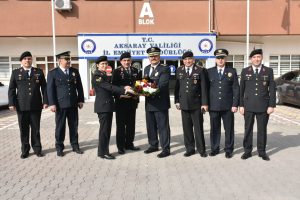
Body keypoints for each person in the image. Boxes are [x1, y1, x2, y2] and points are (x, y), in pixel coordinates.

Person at [92, 56, 135, 159]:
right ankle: (103, 152)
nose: (104, 65)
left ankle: (103, 151)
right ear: (97, 65)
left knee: (106, 130)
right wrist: (124, 90)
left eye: (106, 64)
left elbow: (111, 86)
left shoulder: (104, 75)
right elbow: (109, 87)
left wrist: (123, 87)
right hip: (103, 106)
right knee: (104, 131)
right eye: (102, 64)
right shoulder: (97, 76)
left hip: (108, 106)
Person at [8, 51, 48, 159]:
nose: (27, 61)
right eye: (25, 59)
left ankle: (37, 149)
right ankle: (25, 150)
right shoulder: (16, 72)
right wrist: (11, 103)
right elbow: (11, 89)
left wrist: (45, 102)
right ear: (21, 61)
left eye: (29, 58)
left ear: (32, 60)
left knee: (36, 129)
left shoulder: (39, 71)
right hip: (21, 106)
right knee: (24, 129)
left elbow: (44, 88)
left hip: (36, 105)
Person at [239, 49, 276, 161]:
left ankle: (262, 152)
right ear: (251, 59)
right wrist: (241, 105)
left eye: (258, 57)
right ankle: (247, 151)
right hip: (248, 106)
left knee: (262, 130)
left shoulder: (268, 71)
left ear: (262, 58)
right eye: (254, 57)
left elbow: (272, 89)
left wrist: (271, 105)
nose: (256, 59)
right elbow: (241, 90)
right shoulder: (245, 71)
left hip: (263, 106)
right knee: (248, 129)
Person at [47, 51, 84, 157]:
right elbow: (50, 90)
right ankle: (59, 147)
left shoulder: (74, 71)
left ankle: (75, 146)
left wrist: (80, 100)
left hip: (73, 104)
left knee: (74, 126)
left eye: (69, 60)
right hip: (60, 105)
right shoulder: (53, 73)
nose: (68, 62)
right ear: (60, 61)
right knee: (60, 127)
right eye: (66, 60)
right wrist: (52, 104)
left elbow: (79, 87)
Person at [174, 51, 208, 157]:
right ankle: (190, 149)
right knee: (187, 128)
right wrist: (177, 101)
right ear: (183, 61)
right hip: (184, 104)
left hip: (196, 104)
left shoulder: (200, 70)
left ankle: (201, 149)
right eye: (185, 59)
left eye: (189, 59)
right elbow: (177, 87)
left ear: (193, 60)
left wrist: (204, 103)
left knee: (198, 128)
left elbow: (204, 88)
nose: (187, 61)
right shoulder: (179, 70)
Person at [207, 49, 239, 158]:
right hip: (214, 106)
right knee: (214, 129)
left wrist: (235, 104)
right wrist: (206, 104)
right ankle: (215, 148)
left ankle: (229, 149)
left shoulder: (232, 71)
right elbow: (206, 89)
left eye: (222, 58)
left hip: (228, 107)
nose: (220, 60)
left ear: (225, 59)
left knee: (229, 129)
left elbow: (236, 89)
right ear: (215, 59)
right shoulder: (209, 72)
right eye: (218, 58)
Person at [112, 52, 142, 154]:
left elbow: (139, 84)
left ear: (131, 61)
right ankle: (120, 147)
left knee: (131, 125)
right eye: (124, 60)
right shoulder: (116, 72)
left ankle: (129, 144)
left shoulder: (135, 71)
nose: (126, 62)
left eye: (128, 60)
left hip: (132, 102)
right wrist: (123, 88)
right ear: (121, 61)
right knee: (120, 126)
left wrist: (139, 91)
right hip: (121, 102)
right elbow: (113, 86)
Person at [143, 47, 171, 158]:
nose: (153, 58)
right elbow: (144, 84)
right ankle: (153, 145)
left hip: (160, 103)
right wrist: (139, 90)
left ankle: (166, 149)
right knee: (151, 126)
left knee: (163, 127)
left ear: (159, 56)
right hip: (149, 103)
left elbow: (162, 85)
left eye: (155, 56)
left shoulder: (164, 68)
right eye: (151, 56)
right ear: (148, 57)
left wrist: (145, 90)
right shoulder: (146, 69)